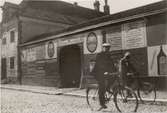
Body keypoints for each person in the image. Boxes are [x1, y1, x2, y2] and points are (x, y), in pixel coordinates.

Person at [91, 43, 116, 111]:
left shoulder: (109, 55)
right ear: (103, 48)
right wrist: (104, 71)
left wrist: (115, 71)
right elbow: (99, 64)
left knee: (113, 78)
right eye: (105, 47)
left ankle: (107, 88)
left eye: (108, 48)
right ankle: (102, 103)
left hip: (106, 72)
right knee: (102, 87)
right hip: (98, 72)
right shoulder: (99, 55)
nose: (107, 49)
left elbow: (112, 64)